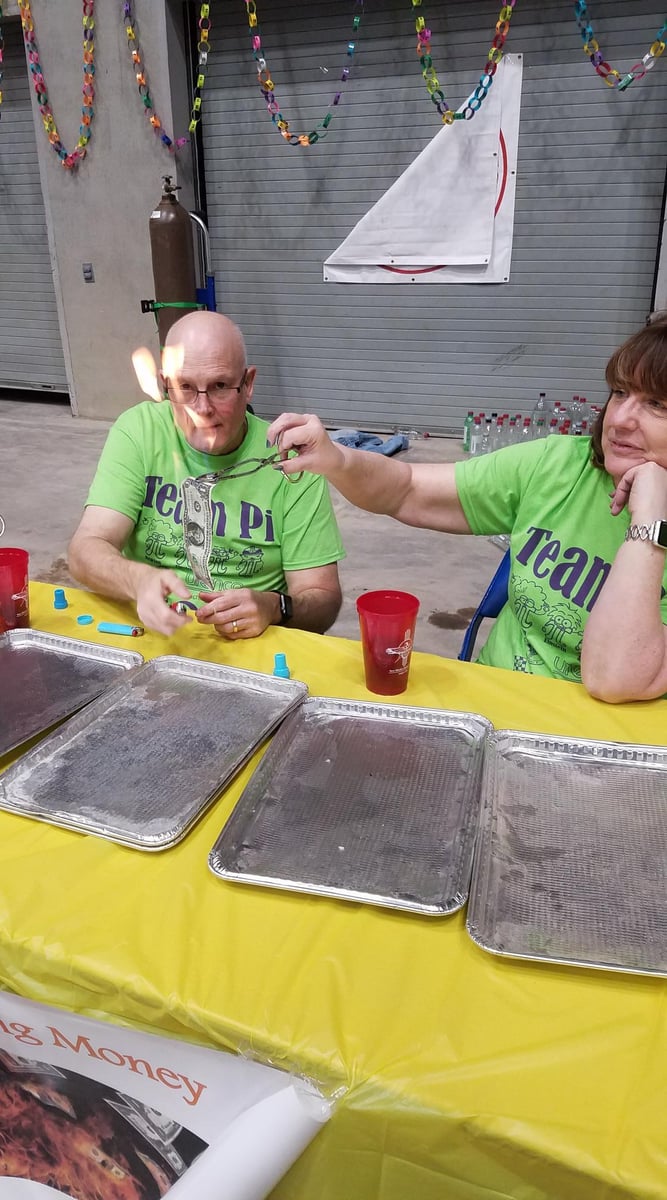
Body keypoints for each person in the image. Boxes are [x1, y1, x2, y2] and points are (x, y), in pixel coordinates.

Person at [267, 316, 667, 698]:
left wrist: (649, 522)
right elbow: (405, 489)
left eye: (658, 405)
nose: (621, 420)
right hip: (492, 711)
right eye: (620, 392)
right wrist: (337, 459)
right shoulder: (560, 466)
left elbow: (613, 678)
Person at [68, 311, 344, 638]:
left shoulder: (291, 457)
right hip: (155, 637)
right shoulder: (138, 431)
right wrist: (137, 580)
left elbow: (323, 600)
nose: (202, 409)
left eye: (219, 386)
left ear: (248, 384)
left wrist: (274, 607)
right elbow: (85, 551)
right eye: (185, 387)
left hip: (253, 644)